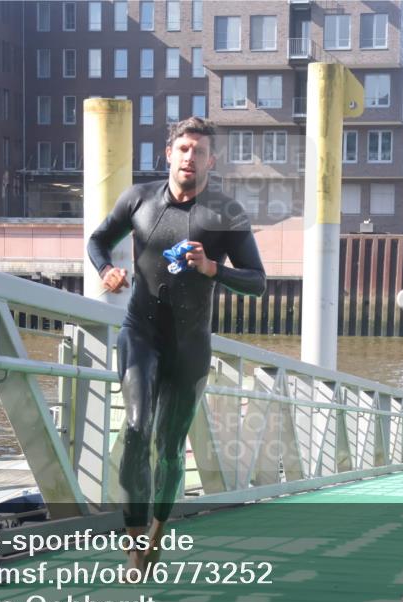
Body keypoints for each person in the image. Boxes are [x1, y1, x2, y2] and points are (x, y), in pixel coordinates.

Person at [87, 117, 266, 576]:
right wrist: (106, 270)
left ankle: (157, 535)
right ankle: (132, 542)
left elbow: (258, 282)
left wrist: (213, 269)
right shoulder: (139, 199)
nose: (190, 158)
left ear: (212, 160)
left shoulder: (226, 213)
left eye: (199, 151)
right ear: (169, 153)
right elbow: (98, 240)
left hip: (190, 345)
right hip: (140, 333)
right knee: (134, 428)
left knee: (169, 448)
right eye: (183, 148)